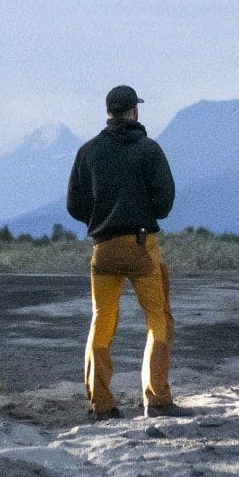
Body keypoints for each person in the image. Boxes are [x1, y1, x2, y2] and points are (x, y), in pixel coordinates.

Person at [65, 83, 182, 420]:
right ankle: (156, 399)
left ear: (109, 112)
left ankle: (101, 404)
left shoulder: (88, 152)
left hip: (102, 249)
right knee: (158, 319)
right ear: (135, 111)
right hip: (142, 246)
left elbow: (75, 205)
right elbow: (164, 204)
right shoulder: (149, 150)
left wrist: (99, 217)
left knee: (102, 320)